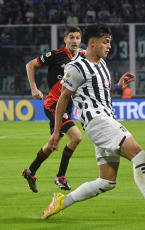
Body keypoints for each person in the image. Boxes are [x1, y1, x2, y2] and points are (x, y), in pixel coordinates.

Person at [41, 23, 145, 220]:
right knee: (138, 154)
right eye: (105, 42)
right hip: (97, 121)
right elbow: (63, 97)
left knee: (107, 181)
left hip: (105, 120)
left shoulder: (102, 64)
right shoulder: (76, 66)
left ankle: (63, 201)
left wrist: (118, 85)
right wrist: (55, 133)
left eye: (110, 42)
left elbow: (100, 88)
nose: (109, 46)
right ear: (93, 43)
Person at [22, 26, 84, 193]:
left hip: (67, 106)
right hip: (53, 105)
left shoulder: (83, 57)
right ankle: (60, 176)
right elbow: (30, 65)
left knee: (52, 144)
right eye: (71, 37)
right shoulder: (56, 55)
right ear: (65, 39)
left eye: (78, 38)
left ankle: (30, 171)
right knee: (76, 137)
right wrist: (34, 89)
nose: (75, 41)